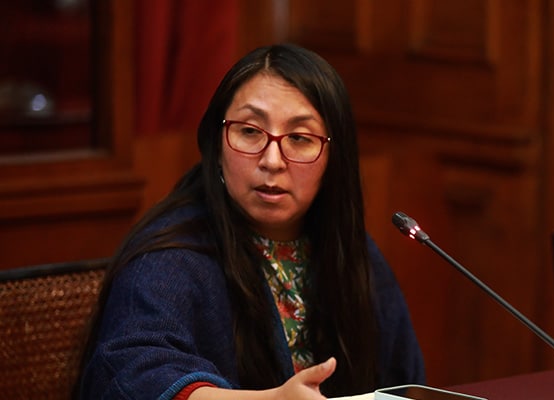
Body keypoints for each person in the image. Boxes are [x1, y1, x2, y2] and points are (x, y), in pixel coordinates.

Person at [77, 43, 425, 399]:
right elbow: (134, 374)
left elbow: (405, 383)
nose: (272, 160)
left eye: (299, 138)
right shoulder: (170, 256)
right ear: (217, 144)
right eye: (249, 131)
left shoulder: (352, 250)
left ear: (334, 159)